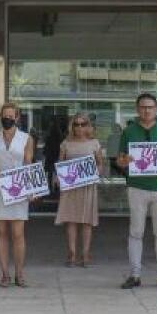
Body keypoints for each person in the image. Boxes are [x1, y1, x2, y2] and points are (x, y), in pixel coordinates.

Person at [115, 93, 157, 289]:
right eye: (143, 107)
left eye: (150, 107)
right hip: (137, 187)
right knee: (136, 231)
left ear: (156, 109)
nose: (147, 110)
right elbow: (119, 159)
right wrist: (124, 162)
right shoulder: (129, 132)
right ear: (137, 109)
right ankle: (134, 275)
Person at [0, 102, 34, 287]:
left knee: (18, 233)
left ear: (17, 117)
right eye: (4, 115)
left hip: (19, 188)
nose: (7, 118)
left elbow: (28, 164)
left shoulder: (26, 138)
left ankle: (19, 274)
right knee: (1, 231)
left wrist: (30, 189)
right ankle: (4, 274)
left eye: (10, 115)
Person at [54, 112, 104, 267]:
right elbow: (60, 163)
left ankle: (86, 255)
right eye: (76, 124)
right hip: (70, 187)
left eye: (83, 124)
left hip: (88, 187)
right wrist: (57, 176)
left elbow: (100, 164)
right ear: (72, 126)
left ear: (88, 126)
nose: (80, 127)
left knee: (86, 221)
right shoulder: (65, 144)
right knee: (71, 221)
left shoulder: (94, 143)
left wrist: (96, 173)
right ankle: (72, 254)